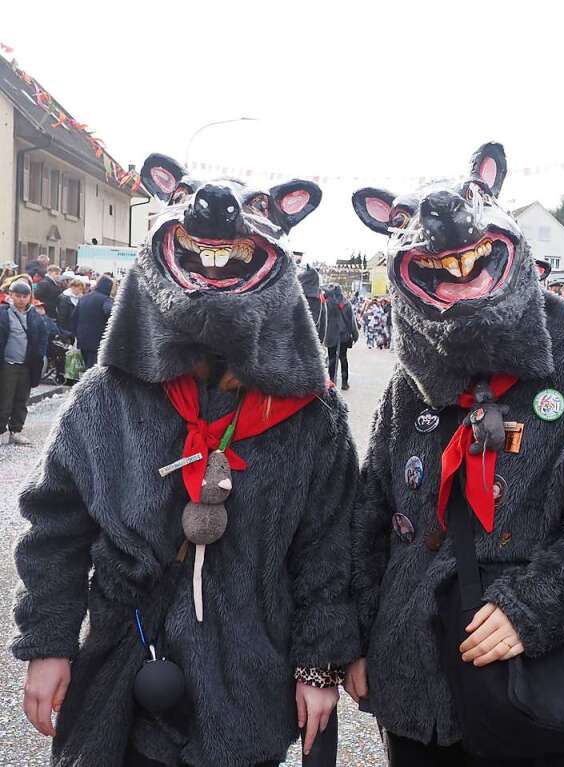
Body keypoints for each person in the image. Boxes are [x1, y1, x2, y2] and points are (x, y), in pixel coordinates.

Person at [13, 155, 356, 767]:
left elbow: (327, 549)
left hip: (249, 683)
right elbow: (56, 527)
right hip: (124, 666)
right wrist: (49, 642)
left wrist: (317, 664)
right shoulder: (105, 396)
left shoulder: (311, 417)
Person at [347, 142, 564, 766]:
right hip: (414, 671)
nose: (458, 273)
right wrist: (357, 635)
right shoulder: (411, 382)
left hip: (528, 677)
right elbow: (372, 509)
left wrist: (531, 606)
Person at [0, 280, 47, 445]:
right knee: (4, 399)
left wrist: (39, 355)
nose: (21, 299)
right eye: (17, 296)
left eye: (24, 296)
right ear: (11, 295)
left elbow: (43, 336)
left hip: (27, 365)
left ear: (29, 297)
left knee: (21, 400)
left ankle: (16, 430)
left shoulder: (35, 315)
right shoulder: (3, 313)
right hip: (7, 364)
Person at [71, 275, 114, 370]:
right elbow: (110, 313)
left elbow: (74, 317)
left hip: (82, 339)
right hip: (97, 341)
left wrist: (76, 334)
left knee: (88, 366)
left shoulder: (84, 298)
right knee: (94, 369)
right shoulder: (106, 300)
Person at [325, 285, 357, 389]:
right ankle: (344, 383)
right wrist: (355, 334)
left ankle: (332, 382)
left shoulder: (327, 303)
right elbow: (351, 321)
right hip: (343, 336)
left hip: (330, 335)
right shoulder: (346, 303)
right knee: (343, 359)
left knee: (332, 360)